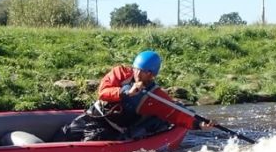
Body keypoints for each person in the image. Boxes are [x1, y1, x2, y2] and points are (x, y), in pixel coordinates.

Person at [58, 50, 214, 141]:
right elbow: (103, 93)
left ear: (151, 75)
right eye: (136, 69)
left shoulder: (155, 96)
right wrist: (124, 91)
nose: (137, 74)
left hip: (110, 130)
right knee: (63, 134)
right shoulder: (120, 73)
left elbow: (175, 114)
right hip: (93, 117)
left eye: (142, 71)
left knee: (92, 140)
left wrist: (199, 124)